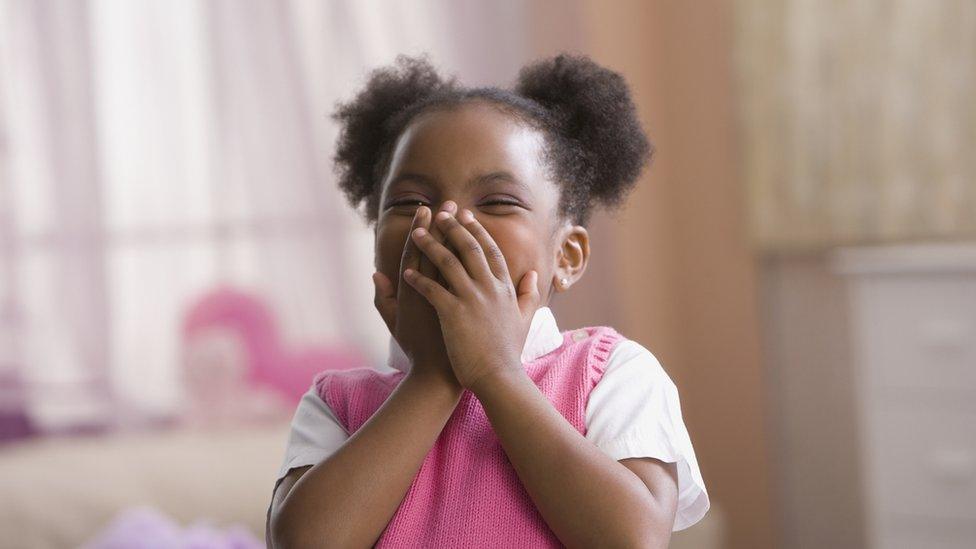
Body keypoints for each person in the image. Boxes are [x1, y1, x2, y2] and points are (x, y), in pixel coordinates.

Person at [267, 53, 709, 548]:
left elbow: (635, 540)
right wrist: (433, 377)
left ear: (567, 256)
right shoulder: (338, 403)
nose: (447, 219)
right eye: (410, 202)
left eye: (497, 202)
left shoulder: (612, 374)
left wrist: (496, 372)